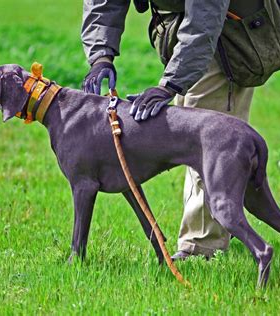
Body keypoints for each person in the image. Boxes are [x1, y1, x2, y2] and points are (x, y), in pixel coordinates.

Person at [81, 0, 255, 260]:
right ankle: (231, 227)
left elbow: (204, 21)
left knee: (208, 147)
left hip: (227, 34)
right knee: (196, 138)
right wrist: (100, 55)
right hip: (184, 30)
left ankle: (202, 249)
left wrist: (171, 84)